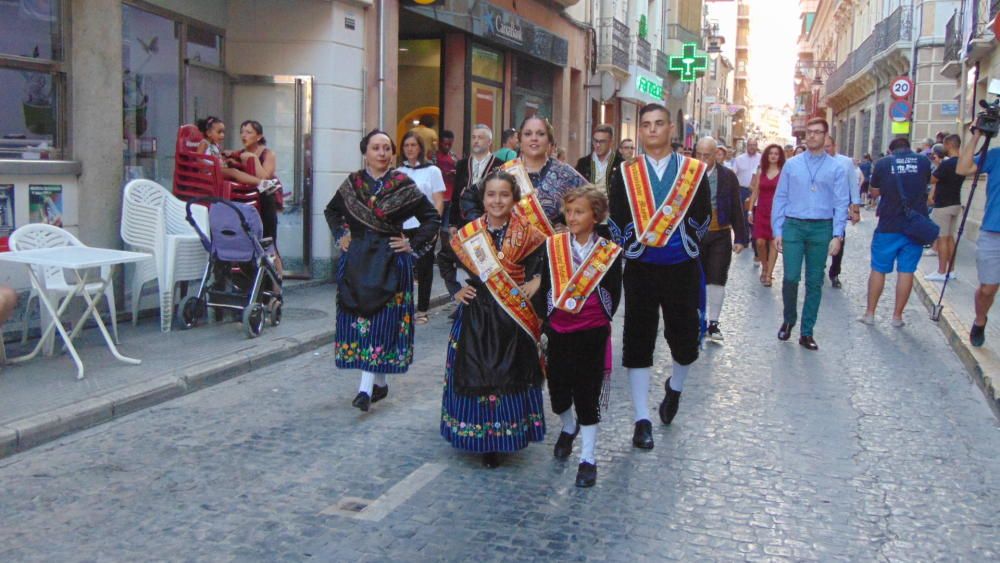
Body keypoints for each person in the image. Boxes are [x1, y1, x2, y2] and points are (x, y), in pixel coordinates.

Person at [324, 129, 441, 412]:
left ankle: (364, 390)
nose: (382, 153)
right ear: (365, 152)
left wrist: (410, 242)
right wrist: (342, 235)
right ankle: (379, 383)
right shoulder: (352, 184)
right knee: (363, 322)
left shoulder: (402, 184)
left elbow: (431, 218)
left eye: (387, 148)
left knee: (381, 323)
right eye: (376, 148)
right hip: (357, 260)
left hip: (390, 260)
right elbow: (331, 211)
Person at [618, 103, 711, 449]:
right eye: (646, 125)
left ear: (671, 128)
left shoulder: (694, 171)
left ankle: (675, 388)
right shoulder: (626, 172)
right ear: (639, 132)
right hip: (641, 267)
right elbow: (617, 214)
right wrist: (633, 242)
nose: (653, 130)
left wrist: (682, 240)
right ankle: (642, 418)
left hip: (680, 267)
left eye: (659, 124)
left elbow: (703, 215)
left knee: (685, 340)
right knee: (638, 340)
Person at [439, 171, 548, 469]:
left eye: (503, 195)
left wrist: (537, 281)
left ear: (514, 199)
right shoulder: (469, 233)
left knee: (510, 373)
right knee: (476, 371)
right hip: (477, 313)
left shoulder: (528, 233)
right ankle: (480, 439)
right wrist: (456, 290)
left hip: (512, 314)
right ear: (483, 198)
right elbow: (444, 259)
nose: (497, 200)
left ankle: (505, 438)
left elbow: (545, 263)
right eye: (491, 195)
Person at [535, 186, 622, 487]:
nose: (571, 218)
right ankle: (568, 427)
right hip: (558, 331)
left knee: (587, 394)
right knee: (559, 393)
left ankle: (588, 457)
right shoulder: (553, 246)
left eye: (579, 212)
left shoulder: (608, 253)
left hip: (591, 332)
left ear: (595, 216)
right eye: (568, 212)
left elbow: (613, 292)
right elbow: (547, 287)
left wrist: (595, 312)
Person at [771, 117, 851, 350]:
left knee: (815, 281)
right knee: (790, 277)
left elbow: (840, 201)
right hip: (794, 225)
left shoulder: (836, 168)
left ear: (826, 137)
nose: (813, 136)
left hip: (821, 227)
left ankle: (807, 331)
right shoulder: (792, 165)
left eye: (818, 132)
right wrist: (778, 229)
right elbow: (781, 197)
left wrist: (838, 235)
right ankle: (789, 318)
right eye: (809, 132)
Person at [462, 116, 588, 232]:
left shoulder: (565, 174)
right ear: (520, 140)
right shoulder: (504, 172)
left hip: (550, 252)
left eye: (541, 134)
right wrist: (486, 227)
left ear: (549, 141)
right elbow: (468, 198)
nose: (534, 138)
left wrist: (572, 229)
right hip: (509, 252)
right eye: (528, 134)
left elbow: (594, 208)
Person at [859, 137, 932, 327]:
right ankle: (897, 317)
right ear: (908, 148)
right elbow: (925, 184)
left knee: (878, 269)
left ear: (891, 150)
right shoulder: (923, 161)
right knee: (906, 271)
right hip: (915, 226)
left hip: (888, 224)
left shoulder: (884, 163)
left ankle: (870, 314)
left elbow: (874, 192)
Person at [695, 136, 746, 342]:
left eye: (706, 155)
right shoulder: (687, 174)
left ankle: (713, 323)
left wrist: (741, 237)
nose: (702, 158)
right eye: (698, 154)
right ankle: (697, 319)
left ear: (716, 154)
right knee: (693, 278)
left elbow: (736, 206)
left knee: (717, 277)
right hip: (694, 234)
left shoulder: (727, 176)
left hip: (720, 232)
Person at [956, 128, 1000, 347]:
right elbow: (963, 168)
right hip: (994, 233)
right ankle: (980, 319)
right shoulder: (996, 156)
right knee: (987, 289)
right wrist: (976, 135)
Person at [397, 131, 446, 325]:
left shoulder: (432, 171)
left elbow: (439, 201)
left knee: (424, 269)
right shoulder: (397, 172)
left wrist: (434, 227)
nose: (410, 149)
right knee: (403, 269)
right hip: (402, 227)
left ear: (420, 148)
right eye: (406, 145)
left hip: (423, 226)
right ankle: (404, 308)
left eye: (413, 145)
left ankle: (422, 309)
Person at [229, 120, 284, 276]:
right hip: (247, 203)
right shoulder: (241, 154)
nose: (244, 135)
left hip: (265, 201)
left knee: (269, 242)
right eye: (242, 132)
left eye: (248, 132)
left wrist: (251, 159)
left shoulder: (267, 154)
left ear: (259, 136)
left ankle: (277, 285)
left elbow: (265, 178)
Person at [194, 116, 278, 194]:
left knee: (235, 172)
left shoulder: (216, 145)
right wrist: (210, 165)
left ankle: (263, 184)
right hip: (210, 171)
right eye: (219, 132)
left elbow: (218, 156)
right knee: (234, 172)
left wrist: (224, 160)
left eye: (223, 132)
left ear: (259, 137)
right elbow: (198, 158)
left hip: (217, 170)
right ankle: (262, 183)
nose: (222, 135)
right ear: (209, 133)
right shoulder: (204, 143)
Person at [824, 136, 862, 289]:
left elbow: (853, 186)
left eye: (828, 146)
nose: (826, 149)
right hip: (821, 210)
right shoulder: (818, 162)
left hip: (839, 209)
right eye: (824, 146)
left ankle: (835, 273)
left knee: (839, 239)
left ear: (835, 146)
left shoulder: (846, 162)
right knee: (820, 241)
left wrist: (855, 209)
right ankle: (819, 268)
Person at [926, 134, 966, 281]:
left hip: (943, 205)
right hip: (956, 202)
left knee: (942, 238)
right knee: (950, 239)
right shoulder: (962, 162)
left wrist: (936, 166)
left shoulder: (947, 164)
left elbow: (932, 179)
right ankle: (951, 270)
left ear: (949, 145)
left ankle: (942, 271)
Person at [749, 143, 786, 287]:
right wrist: (750, 210)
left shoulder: (783, 172)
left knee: (773, 242)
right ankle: (764, 266)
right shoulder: (761, 171)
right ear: (767, 155)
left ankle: (769, 274)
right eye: (771, 153)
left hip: (777, 211)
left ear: (780, 156)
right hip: (762, 210)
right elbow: (755, 192)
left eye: (776, 153)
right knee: (760, 242)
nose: (773, 156)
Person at [575, 124, 623, 202]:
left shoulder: (620, 164)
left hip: (613, 211)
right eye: (595, 141)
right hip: (589, 210)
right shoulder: (583, 163)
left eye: (602, 141)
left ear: (611, 142)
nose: (597, 145)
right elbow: (576, 189)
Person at [733, 139, 762, 262]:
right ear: (747, 146)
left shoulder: (761, 158)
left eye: (754, 145)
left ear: (757, 146)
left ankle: (754, 237)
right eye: (750, 145)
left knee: (755, 214)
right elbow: (734, 174)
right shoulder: (739, 159)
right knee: (743, 215)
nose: (752, 147)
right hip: (743, 189)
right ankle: (744, 239)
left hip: (757, 190)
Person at [433, 130, 458, 232]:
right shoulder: (434, 156)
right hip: (438, 197)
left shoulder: (454, 157)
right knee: (435, 226)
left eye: (450, 144)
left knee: (445, 229)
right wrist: (444, 174)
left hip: (450, 197)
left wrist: (455, 173)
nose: (447, 146)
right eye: (445, 144)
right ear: (440, 143)